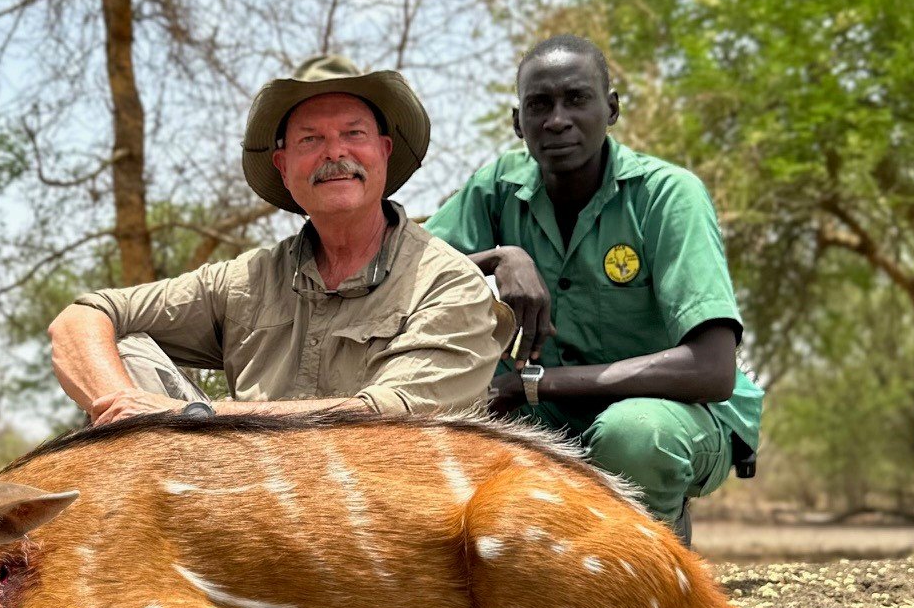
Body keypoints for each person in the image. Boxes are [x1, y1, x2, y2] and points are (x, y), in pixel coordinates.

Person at [49, 54, 514, 424]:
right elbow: (83, 316)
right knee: (123, 347)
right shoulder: (246, 279)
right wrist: (119, 407)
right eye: (310, 140)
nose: (335, 152)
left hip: (379, 516)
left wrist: (193, 418)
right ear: (283, 168)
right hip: (239, 497)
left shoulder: (449, 284)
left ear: (384, 153)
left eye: (353, 133)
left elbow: (379, 424)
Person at [425, 34, 762, 540]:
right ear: (519, 123)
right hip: (550, 415)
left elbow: (713, 369)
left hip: (673, 412)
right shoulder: (495, 188)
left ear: (611, 109)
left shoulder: (668, 196)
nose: (557, 119)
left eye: (576, 99)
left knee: (633, 439)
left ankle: (659, 551)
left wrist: (527, 385)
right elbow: (409, 274)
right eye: (539, 105)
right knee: (431, 427)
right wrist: (499, 258)